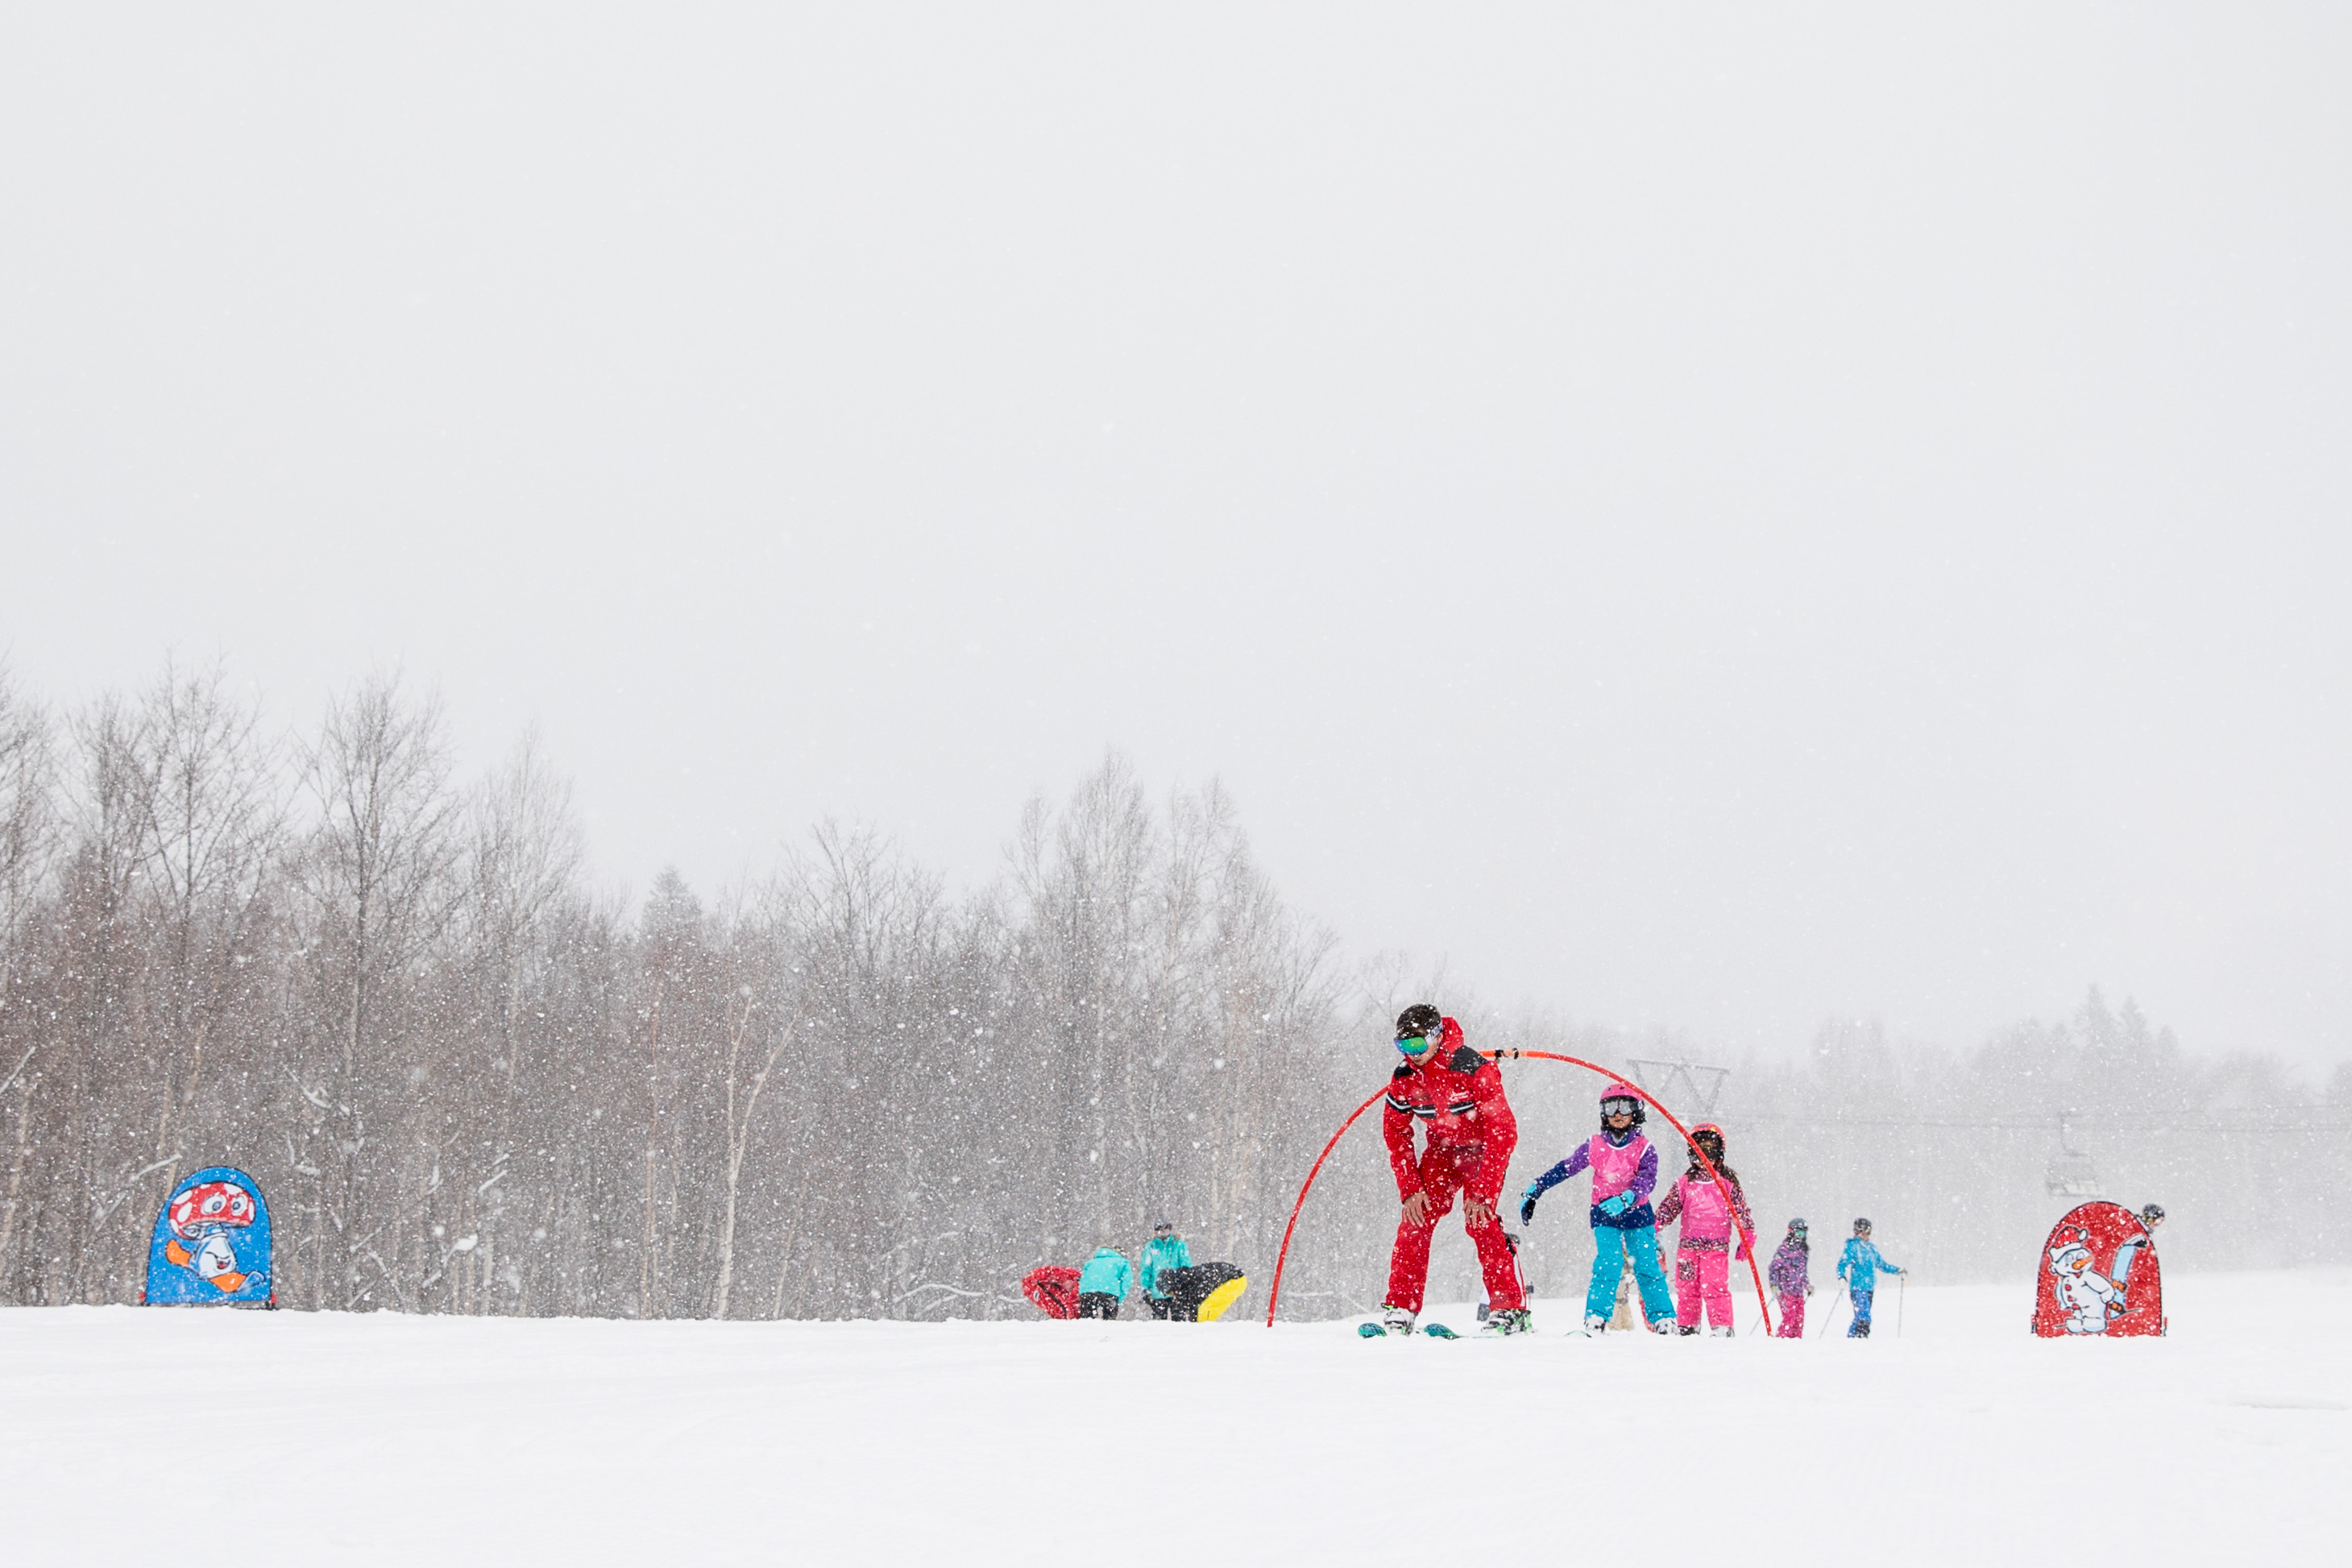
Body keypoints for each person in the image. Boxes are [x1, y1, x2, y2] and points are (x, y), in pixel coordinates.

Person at [1373, 1003, 1529, 1337]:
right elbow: (1395, 1132)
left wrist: (1483, 1192)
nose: (1411, 1053)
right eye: (1403, 1046)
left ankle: (1509, 1309)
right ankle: (1401, 1307)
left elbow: (1503, 1131)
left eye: (1417, 1044)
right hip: (1442, 1153)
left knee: (1479, 1219)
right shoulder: (1405, 1078)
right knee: (1416, 1217)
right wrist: (1410, 1189)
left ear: (1436, 1036)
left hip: (1482, 1151)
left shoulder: (1472, 1068)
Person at [1521, 1083, 1677, 1333]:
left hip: (1637, 1214)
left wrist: (1628, 1197)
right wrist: (1536, 1188)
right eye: (1611, 1107)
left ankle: (1663, 1318)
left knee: (1646, 1265)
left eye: (1625, 1107)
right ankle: (1596, 1316)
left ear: (1636, 1111)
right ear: (1603, 1113)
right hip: (1605, 1214)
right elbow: (1567, 1167)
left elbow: (1648, 1179)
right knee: (1609, 1263)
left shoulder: (1644, 1147)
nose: (1618, 1114)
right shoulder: (1595, 1145)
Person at [1653, 1122, 1755, 1336]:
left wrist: (1747, 1237)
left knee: (1714, 1286)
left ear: (1719, 1153)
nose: (1705, 1156)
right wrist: (1651, 1227)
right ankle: (1687, 1325)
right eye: (1700, 1150)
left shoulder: (1727, 1184)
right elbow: (1668, 1209)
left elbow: (1742, 1213)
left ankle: (1722, 1326)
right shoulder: (1685, 1183)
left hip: (1715, 1248)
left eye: (1710, 1150)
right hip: (1688, 1248)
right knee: (1687, 1287)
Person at [1836, 1218, 1902, 1337]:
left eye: (1868, 1232)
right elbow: (1842, 1263)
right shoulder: (1853, 1246)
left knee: (1862, 1315)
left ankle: (1855, 1337)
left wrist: (1897, 1270)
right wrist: (1841, 1277)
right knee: (1863, 1315)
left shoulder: (1871, 1249)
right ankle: (1858, 1336)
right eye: (1863, 1232)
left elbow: (1882, 1264)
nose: (1865, 1235)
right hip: (1858, 1287)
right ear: (1856, 1232)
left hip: (1869, 1287)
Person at [1768, 1219, 1813, 1338]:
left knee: (1799, 1319)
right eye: (1799, 1233)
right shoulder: (1784, 1250)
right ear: (1791, 1232)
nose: (1801, 1236)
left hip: (1798, 1291)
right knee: (1790, 1317)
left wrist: (1807, 1285)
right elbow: (1773, 1269)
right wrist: (1774, 1285)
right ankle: (1782, 1339)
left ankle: (1796, 1341)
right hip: (1785, 1290)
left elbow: (1803, 1271)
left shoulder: (1803, 1251)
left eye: (1803, 1233)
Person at [1138, 1220, 1191, 1320]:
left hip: (1177, 1290)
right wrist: (1145, 1287)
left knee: (1179, 1321)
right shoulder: (1151, 1246)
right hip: (1157, 1291)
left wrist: (1184, 1284)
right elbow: (1146, 1269)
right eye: (1157, 1231)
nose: (1160, 1234)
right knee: (1159, 1322)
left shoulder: (1179, 1244)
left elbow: (1186, 1266)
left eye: (1163, 1231)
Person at [1076, 1245, 1133, 1320]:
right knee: (1109, 1319)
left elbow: (1083, 1279)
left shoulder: (1090, 1263)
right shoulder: (1123, 1262)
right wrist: (1120, 1297)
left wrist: (1082, 1294)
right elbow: (1127, 1281)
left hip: (1088, 1291)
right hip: (1110, 1290)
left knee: (1087, 1318)